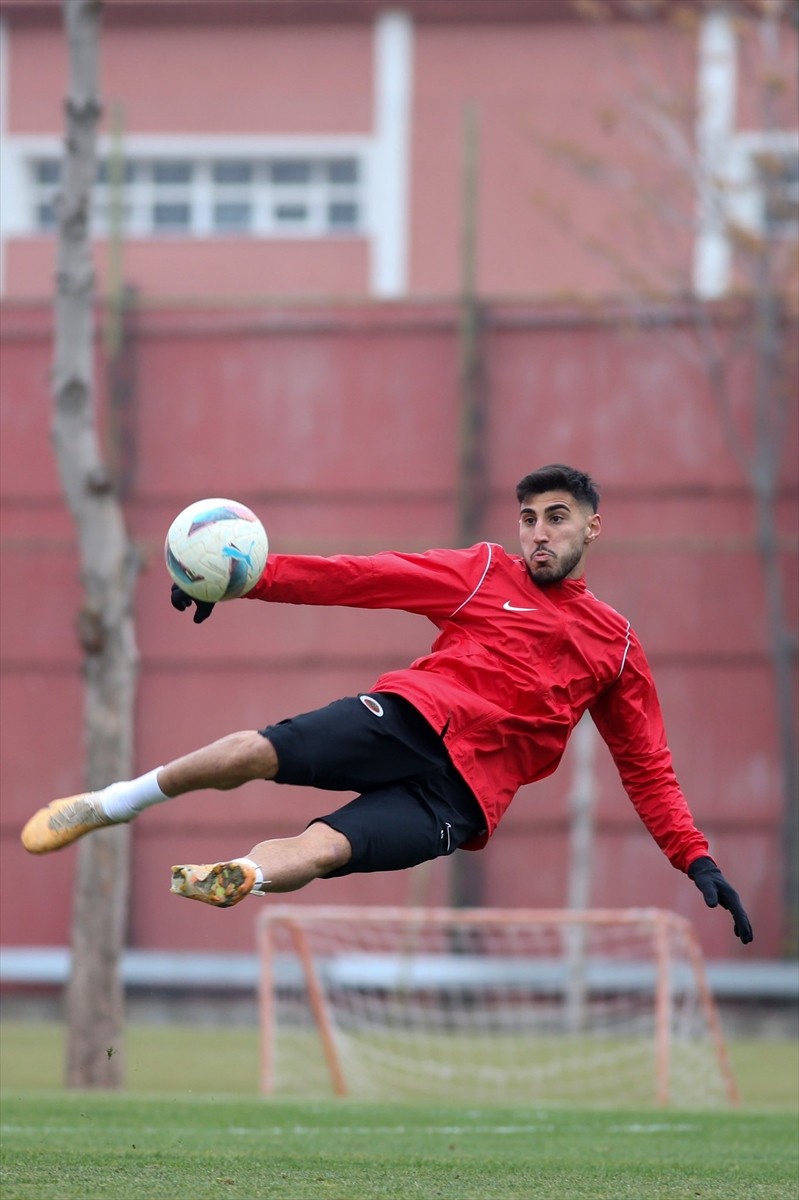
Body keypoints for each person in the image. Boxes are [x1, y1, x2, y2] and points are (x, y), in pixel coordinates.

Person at [21, 464, 753, 943]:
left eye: (556, 518)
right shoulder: (482, 572)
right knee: (254, 752)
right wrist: (247, 580)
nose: (539, 532)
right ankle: (112, 803)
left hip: (462, 798)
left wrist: (694, 858)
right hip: (408, 721)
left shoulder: (616, 647)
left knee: (327, 847)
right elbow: (361, 578)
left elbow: (646, 766)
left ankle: (243, 874)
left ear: (591, 527)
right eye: (529, 518)